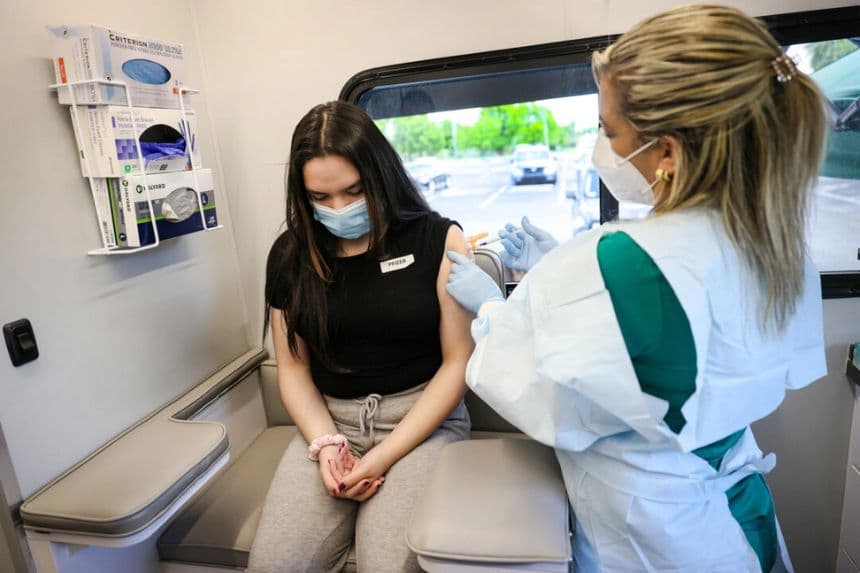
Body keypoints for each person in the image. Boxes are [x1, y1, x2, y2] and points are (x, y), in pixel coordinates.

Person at [445, 5, 827, 572]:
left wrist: (495, 310)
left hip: (657, 532)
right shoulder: (780, 245)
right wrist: (558, 273)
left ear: (668, 152)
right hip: (740, 512)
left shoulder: (617, 261)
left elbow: (544, 397)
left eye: (609, 129)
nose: (602, 145)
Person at [247, 101, 473, 573]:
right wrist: (326, 443)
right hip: (331, 424)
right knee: (273, 565)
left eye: (353, 192)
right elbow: (293, 368)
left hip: (421, 422)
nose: (339, 209)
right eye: (321, 198)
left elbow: (458, 364)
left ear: (380, 175)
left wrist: (382, 456)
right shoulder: (289, 255)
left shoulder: (438, 239)